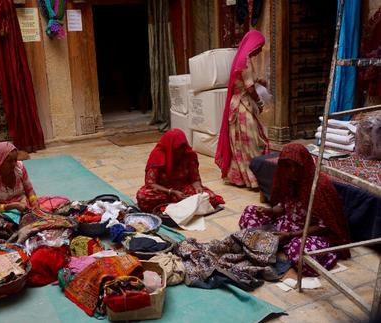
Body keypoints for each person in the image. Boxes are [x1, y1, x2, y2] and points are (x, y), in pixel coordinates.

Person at [238, 143, 351, 275]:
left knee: (300, 256)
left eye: (295, 166)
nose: (291, 171)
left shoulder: (318, 186)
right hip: (286, 226)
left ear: (304, 164)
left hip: (310, 233)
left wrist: (291, 235)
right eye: (286, 166)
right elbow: (283, 207)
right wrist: (270, 211)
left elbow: (325, 226)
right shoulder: (286, 178)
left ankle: (284, 246)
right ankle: (281, 245)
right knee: (249, 212)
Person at [215, 29, 270, 188]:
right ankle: (252, 177)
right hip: (242, 107)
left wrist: (260, 80)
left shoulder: (241, 59)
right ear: (253, 45)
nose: (260, 50)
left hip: (236, 106)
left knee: (240, 142)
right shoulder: (244, 62)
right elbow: (250, 88)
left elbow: (246, 80)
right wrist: (260, 103)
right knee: (250, 140)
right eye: (259, 46)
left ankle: (240, 176)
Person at [136, 128, 224, 212]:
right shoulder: (157, 155)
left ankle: (176, 205)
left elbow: (195, 179)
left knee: (210, 197)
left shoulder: (188, 155)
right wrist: (172, 192)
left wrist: (198, 187)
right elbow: (150, 183)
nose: (180, 151)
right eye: (177, 149)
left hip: (183, 189)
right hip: (164, 191)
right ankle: (182, 204)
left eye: (182, 147)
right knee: (142, 196)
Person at [0, 141, 38, 213]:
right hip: (4, 212)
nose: (14, 164)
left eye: (15, 160)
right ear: (0, 161)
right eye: (9, 161)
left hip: (24, 206)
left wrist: (34, 202)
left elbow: (29, 189)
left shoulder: (19, 168)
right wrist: (12, 206)